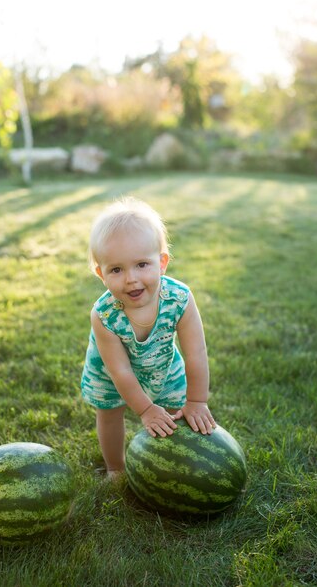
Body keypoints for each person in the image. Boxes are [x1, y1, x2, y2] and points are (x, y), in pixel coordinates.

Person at [81, 196, 216, 479]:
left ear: (162, 262)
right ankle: (115, 468)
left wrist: (197, 400)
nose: (131, 279)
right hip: (110, 374)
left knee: (176, 411)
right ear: (100, 273)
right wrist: (145, 409)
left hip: (162, 365)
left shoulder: (179, 299)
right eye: (116, 270)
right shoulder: (104, 315)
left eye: (142, 264)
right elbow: (120, 371)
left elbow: (196, 354)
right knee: (109, 413)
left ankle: (171, 464)